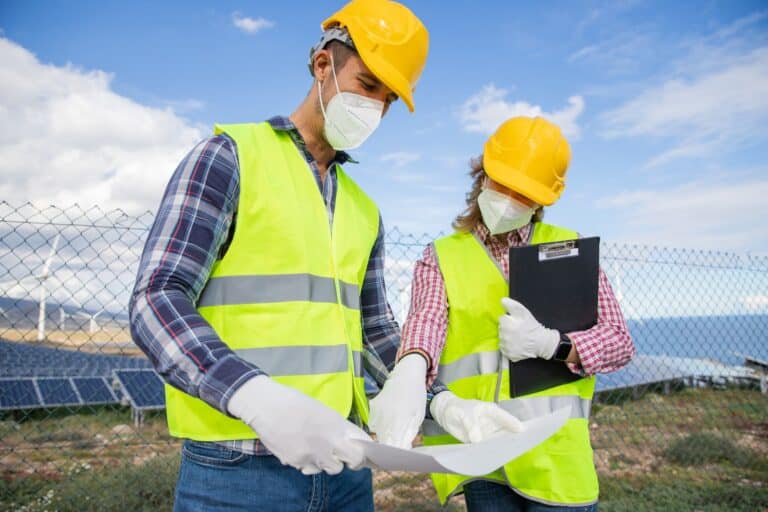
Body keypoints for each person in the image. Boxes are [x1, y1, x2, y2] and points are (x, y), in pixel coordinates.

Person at [128, 1, 429, 510]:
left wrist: (429, 392)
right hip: (238, 469)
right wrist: (254, 395)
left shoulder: (364, 209)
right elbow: (156, 298)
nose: (375, 106)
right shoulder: (228, 159)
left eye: (388, 98)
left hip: (346, 469)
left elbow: (374, 330)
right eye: (367, 83)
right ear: (323, 66)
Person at [370, 116, 635, 511]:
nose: (509, 198)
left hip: (555, 460)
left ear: (542, 199)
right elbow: (427, 321)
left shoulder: (571, 251)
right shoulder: (442, 256)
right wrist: (411, 364)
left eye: (523, 193)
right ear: (482, 176)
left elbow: (619, 343)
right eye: (501, 183)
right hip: (481, 455)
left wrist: (553, 345)